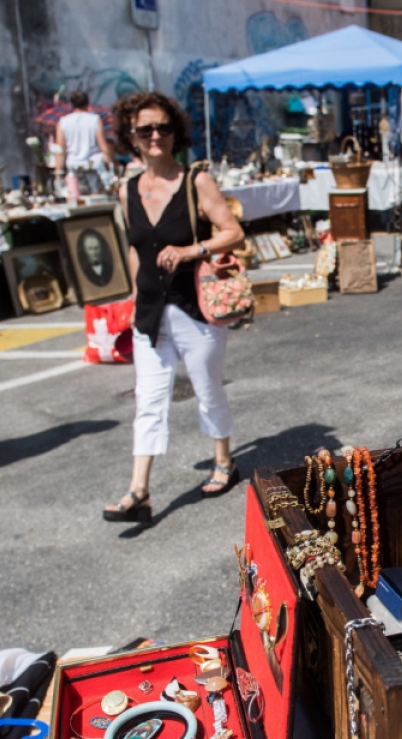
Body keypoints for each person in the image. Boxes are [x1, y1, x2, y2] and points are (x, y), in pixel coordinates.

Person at [104, 91, 245, 523]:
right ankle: (139, 490)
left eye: (163, 127)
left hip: (194, 307)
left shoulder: (194, 182)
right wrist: (135, 295)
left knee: (207, 388)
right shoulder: (127, 190)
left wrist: (190, 250)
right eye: (145, 129)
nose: (155, 136)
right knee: (148, 399)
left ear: (175, 132)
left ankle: (224, 460)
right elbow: (134, 249)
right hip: (150, 313)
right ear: (131, 136)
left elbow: (233, 231)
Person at [56, 90, 114, 202]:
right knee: (98, 200)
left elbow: (60, 151)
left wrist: (58, 175)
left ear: (72, 105)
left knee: (76, 200)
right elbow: (103, 146)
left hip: (73, 168)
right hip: (94, 166)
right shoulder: (95, 120)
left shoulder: (63, 122)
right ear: (87, 103)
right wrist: (110, 167)